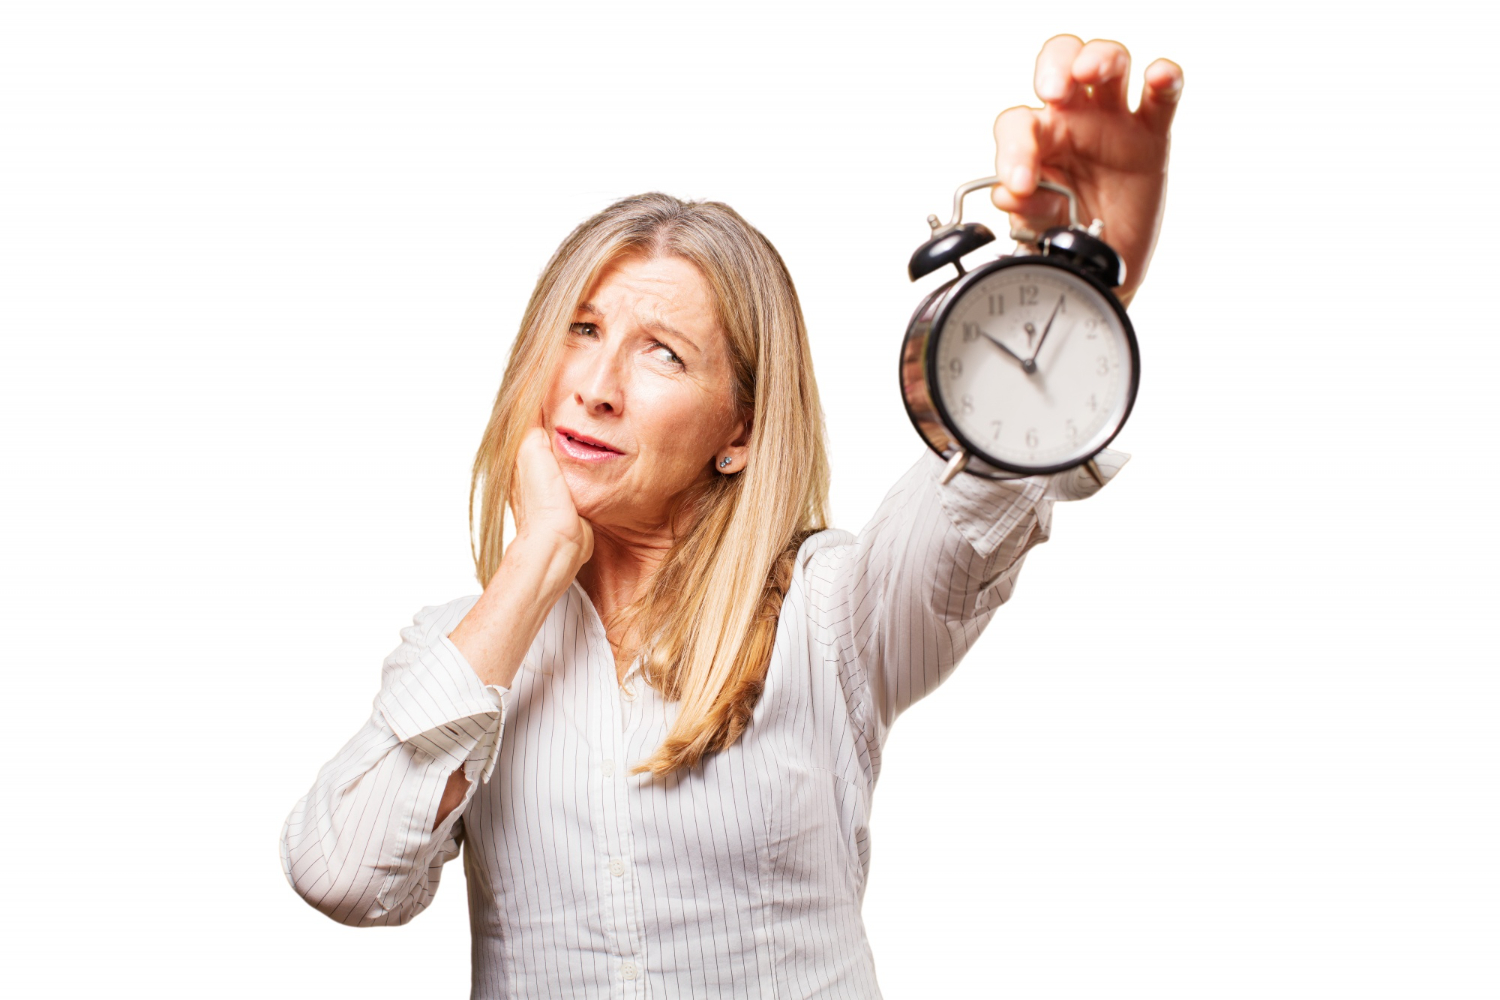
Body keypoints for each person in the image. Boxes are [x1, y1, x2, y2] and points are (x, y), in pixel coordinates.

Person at [281, 34, 1183, 999]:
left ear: (740, 433)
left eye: (662, 353)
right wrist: (537, 560)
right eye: (582, 331)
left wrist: (1079, 291)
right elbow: (342, 876)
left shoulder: (829, 611)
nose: (595, 386)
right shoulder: (464, 653)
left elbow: (976, 499)